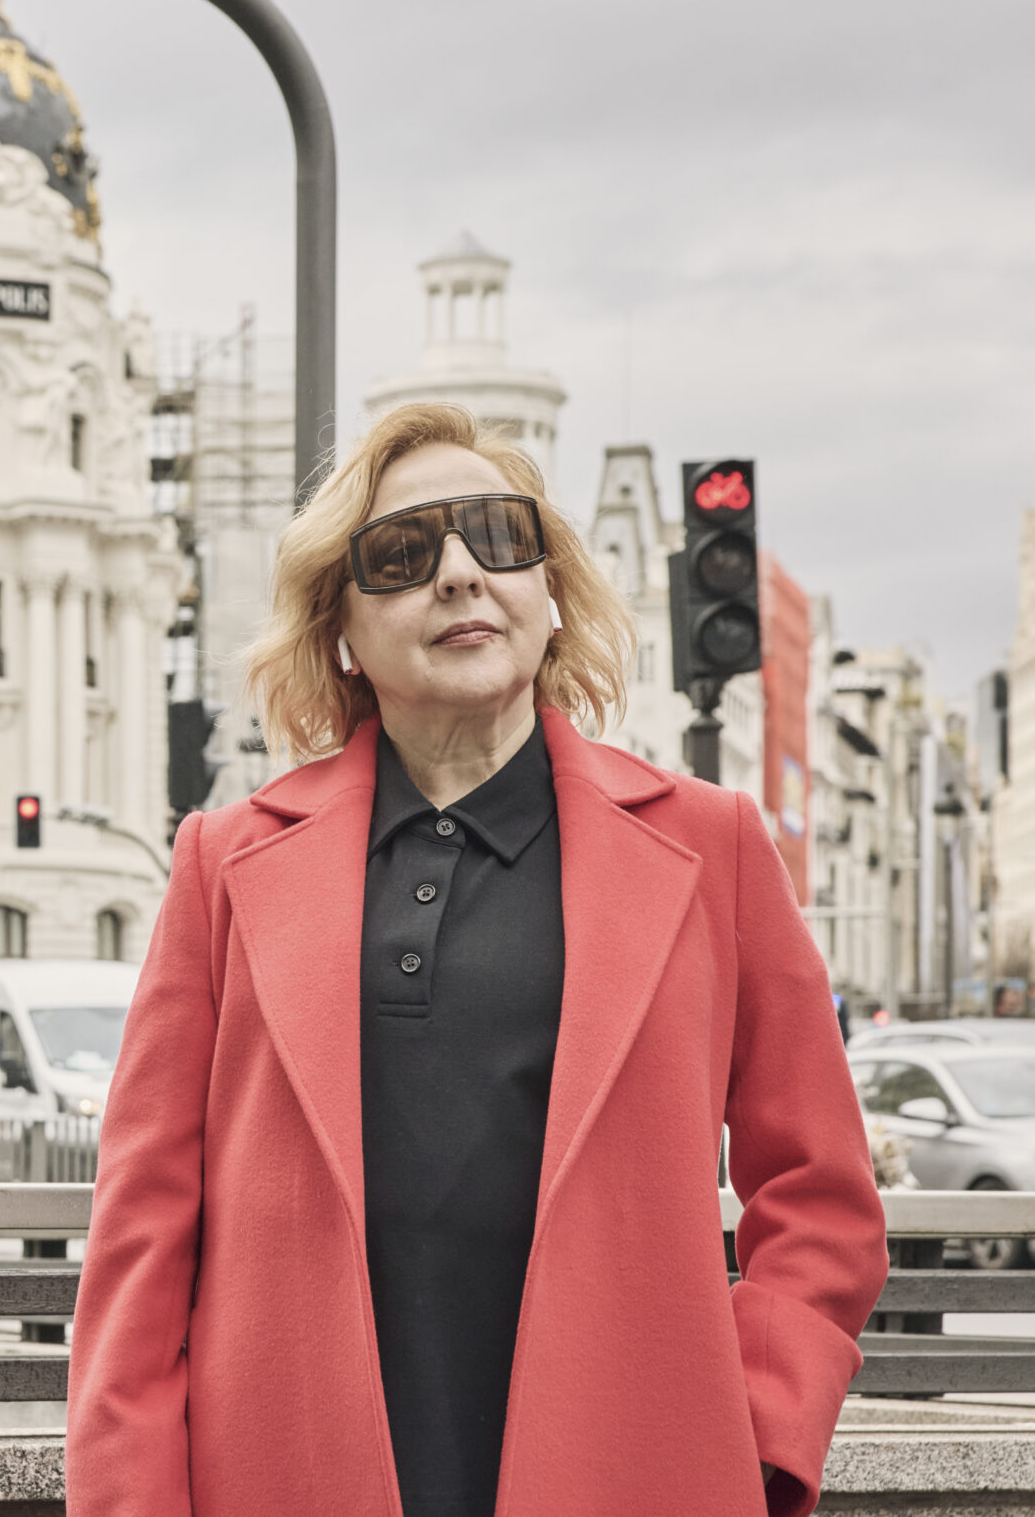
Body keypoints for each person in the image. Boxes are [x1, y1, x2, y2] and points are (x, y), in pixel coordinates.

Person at [68, 403, 884, 1517]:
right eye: (401, 554)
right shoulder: (225, 862)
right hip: (289, 1472)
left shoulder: (713, 846)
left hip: (627, 1478)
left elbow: (822, 1192)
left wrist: (753, 1431)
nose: (459, 572)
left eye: (498, 536)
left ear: (549, 593)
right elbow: (141, 1233)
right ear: (342, 629)